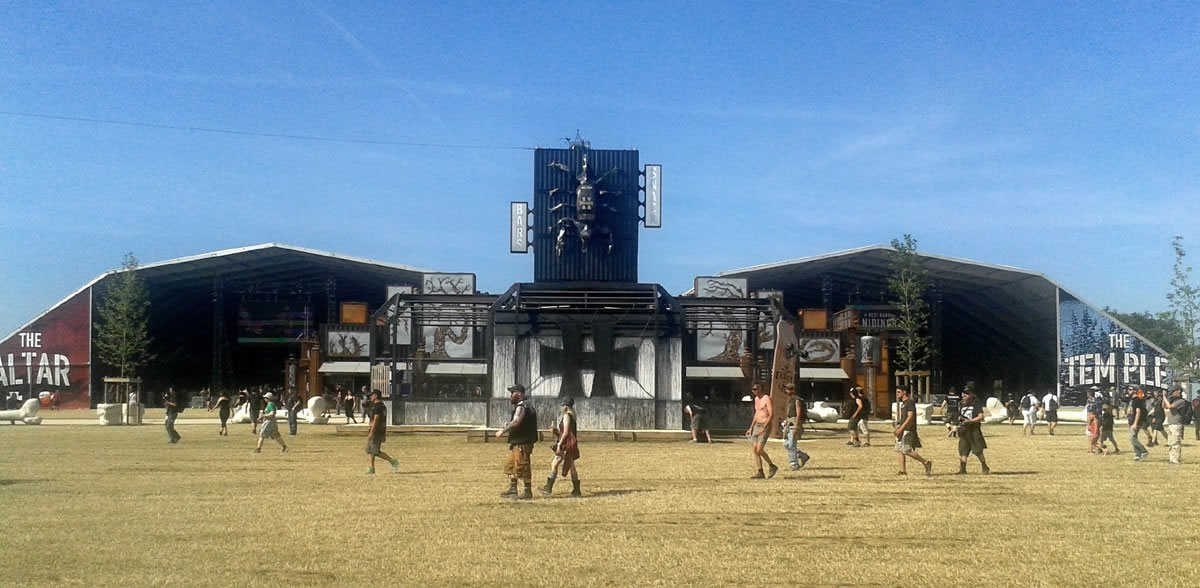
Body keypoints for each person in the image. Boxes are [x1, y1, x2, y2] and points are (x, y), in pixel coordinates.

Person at [496, 384, 538, 499]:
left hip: (522, 442)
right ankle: (513, 489)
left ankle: (527, 491)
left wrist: (503, 431)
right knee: (511, 465)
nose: (510, 396)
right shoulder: (524, 405)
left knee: (522, 465)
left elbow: (516, 422)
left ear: (519, 394)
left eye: (512, 393)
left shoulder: (522, 406)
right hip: (518, 442)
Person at [541, 397, 581, 497]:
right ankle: (576, 490)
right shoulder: (573, 415)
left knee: (554, 464)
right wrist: (555, 431)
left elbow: (566, 432)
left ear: (566, 406)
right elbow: (566, 432)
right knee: (571, 466)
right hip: (571, 443)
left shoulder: (567, 416)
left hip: (566, 444)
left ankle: (548, 488)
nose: (561, 407)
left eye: (562, 405)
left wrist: (559, 444)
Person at [894, 387, 932, 476]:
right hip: (902, 429)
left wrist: (901, 428)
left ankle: (926, 462)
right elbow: (904, 417)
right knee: (899, 449)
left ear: (904, 392)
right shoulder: (903, 403)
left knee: (906, 450)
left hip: (908, 430)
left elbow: (910, 417)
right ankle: (902, 471)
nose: (897, 394)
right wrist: (898, 426)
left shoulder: (910, 402)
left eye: (899, 392)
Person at [745, 383, 778, 479]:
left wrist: (765, 427)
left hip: (765, 425)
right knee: (755, 450)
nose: (754, 391)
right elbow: (757, 413)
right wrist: (751, 427)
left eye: (756, 389)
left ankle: (772, 466)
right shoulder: (756, 399)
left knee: (759, 449)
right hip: (757, 425)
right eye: (753, 389)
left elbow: (771, 414)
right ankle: (760, 472)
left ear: (760, 389)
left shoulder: (766, 398)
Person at [364, 389, 400, 474]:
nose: (370, 397)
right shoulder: (381, 405)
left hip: (376, 431)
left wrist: (371, 431)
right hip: (379, 430)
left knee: (375, 451)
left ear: (376, 396)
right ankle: (372, 468)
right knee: (371, 450)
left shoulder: (378, 406)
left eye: (372, 395)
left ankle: (393, 461)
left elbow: (376, 420)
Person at [956, 387, 990, 474]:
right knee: (963, 451)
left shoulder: (976, 404)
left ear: (971, 394)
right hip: (964, 431)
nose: (964, 395)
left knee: (978, 451)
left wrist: (970, 421)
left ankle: (984, 466)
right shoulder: (961, 404)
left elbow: (981, 417)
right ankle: (963, 470)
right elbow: (959, 417)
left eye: (967, 393)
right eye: (963, 393)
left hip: (974, 431)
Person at [782, 383, 810, 471]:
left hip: (794, 423)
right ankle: (803, 456)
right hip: (788, 423)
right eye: (786, 389)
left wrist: (797, 426)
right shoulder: (789, 400)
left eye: (789, 389)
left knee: (791, 444)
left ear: (793, 390)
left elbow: (798, 414)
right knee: (786, 444)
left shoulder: (797, 400)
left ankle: (794, 464)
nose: (787, 391)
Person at [1164, 388, 1187, 465]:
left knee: (1176, 442)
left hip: (1176, 424)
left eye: (1174, 391)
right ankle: (1171, 459)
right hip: (1171, 423)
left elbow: (1170, 407)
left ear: (1178, 392)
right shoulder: (1172, 400)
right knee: (1170, 442)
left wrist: (1164, 397)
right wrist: (1165, 398)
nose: (1172, 393)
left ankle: (1176, 459)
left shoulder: (1181, 401)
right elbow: (1164, 406)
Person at [1127, 388, 1149, 461]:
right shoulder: (1133, 400)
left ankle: (1144, 451)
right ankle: (1137, 454)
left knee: (1132, 438)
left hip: (1136, 422)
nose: (1128, 391)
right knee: (1134, 437)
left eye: (1130, 389)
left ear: (1134, 391)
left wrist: (1135, 423)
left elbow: (1138, 412)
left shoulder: (1137, 400)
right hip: (1132, 421)